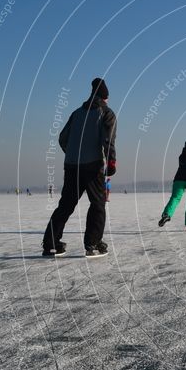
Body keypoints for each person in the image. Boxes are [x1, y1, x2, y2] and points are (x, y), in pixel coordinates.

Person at [43, 78, 117, 257]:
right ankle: (92, 243)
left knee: (66, 205)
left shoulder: (76, 113)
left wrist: (74, 153)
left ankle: (50, 244)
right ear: (104, 97)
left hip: (71, 166)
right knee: (98, 204)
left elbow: (62, 138)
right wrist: (111, 162)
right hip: (93, 166)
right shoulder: (107, 113)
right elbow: (107, 140)